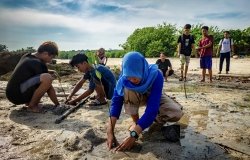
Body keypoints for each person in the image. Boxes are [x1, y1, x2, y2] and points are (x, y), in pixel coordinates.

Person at [106, 52, 183, 151]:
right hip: (136, 96)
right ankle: (136, 122)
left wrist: (134, 135)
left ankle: (151, 120)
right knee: (128, 89)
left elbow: (152, 109)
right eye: (129, 76)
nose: (132, 80)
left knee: (176, 113)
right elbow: (116, 103)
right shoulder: (125, 78)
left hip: (154, 96)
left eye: (135, 76)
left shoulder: (156, 74)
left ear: (141, 69)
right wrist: (110, 130)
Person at [6, 41, 60, 113]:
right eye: (51, 57)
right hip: (18, 96)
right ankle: (32, 106)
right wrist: (57, 104)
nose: (50, 61)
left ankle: (29, 102)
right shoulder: (38, 63)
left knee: (45, 76)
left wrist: (49, 71)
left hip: (11, 94)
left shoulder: (27, 56)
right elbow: (49, 87)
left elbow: (30, 72)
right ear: (45, 54)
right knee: (47, 78)